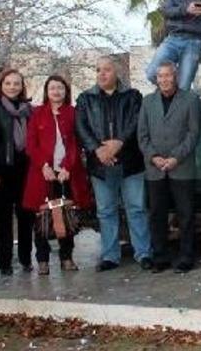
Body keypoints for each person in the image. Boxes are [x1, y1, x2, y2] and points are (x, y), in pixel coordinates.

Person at [76, 55, 152, 272]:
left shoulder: (132, 95)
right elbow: (81, 128)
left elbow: (136, 122)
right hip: (100, 165)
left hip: (130, 163)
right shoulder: (85, 99)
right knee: (106, 211)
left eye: (106, 69)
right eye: (98, 69)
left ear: (116, 72)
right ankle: (110, 255)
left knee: (136, 209)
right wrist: (98, 149)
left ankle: (143, 253)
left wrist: (119, 143)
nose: (102, 73)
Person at [22, 75, 92, 275]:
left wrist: (67, 167)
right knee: (41, 217)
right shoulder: (38, 114)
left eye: (60, 88)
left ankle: (67, 257)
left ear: (66, 91)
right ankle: (42, 260)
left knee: (66, 215)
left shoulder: (73, 113)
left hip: (66, 173)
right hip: (42, 174)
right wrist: (43, 165)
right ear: (47, 91)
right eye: (52, 88)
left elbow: (76, 144)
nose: (56, 92)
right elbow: (31, 144)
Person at [138, 61, 201, 274]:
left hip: (181, 167)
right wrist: (154, 157)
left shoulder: (191, 99)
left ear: (175, 76)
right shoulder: (147, 102)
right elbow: (143, 136)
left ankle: (186, 257)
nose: (164, 80)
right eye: (160, 76)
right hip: (155, 168)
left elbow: (193, 134)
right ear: (156, 79)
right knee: (157, 214)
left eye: (168, 75)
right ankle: (160, 257)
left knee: (185, 214)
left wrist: (175, 157)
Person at [0, 69, 34, 276]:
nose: (12, 87)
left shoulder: (29, 110)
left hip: (26, 170)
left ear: (22, 86)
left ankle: (25, 258)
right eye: (8, 83)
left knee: (26, 217)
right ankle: (5, 263)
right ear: (1, 86)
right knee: (3, 219)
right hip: (2, 172)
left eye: (16, 83)